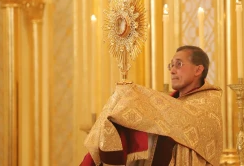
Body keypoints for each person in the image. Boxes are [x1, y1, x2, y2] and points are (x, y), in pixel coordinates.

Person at [80, 45, 223, 166]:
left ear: (198, 70)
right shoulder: (170, 103)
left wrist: (133, 95)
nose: (172, 71)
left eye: (178, 64)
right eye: (171, 65)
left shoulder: (208, 102)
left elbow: (187, 122)